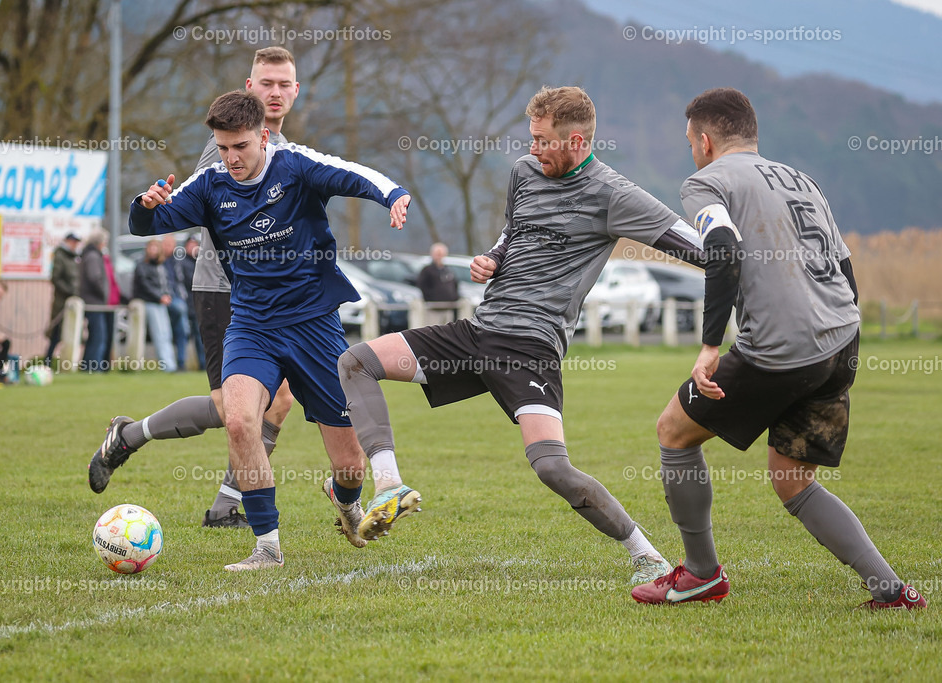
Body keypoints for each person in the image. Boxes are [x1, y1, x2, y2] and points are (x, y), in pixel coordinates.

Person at [337, 86, 703, 584]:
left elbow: (697, 247)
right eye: (530, 138)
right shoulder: (525, 173)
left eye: (541, 140)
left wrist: (748, 264)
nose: (532, 149)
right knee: (356, 361)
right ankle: (390, 486)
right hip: (480, 331)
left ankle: (648, 555)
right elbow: (514, 231)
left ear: (576, 142)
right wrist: (493, 257)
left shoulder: (613, 194)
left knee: (552, 469)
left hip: (529, 349)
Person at [630, 87, 926, 609]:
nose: (690, 151)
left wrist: (708, 345)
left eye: (688, 141)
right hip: (841, 339)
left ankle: (701, 575)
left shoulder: (706, 181)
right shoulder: (801, 178)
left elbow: (721, 249)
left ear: (704, 140)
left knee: (673, 432)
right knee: (793, 480)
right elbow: (845, 264)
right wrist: (837, 333)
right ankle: (892, 591)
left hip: (783, 348)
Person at [127, 89, 410, 571]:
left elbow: (357, 175)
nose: (231, 158)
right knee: (239, 420)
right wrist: (145, 204)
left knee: (349, 466)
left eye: (240, 146)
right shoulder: (210, 184)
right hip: (252, 325)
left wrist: (394, 196)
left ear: (262, 136)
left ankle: (344, 501)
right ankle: (266, 546)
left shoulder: (295, 165)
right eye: (222, 147)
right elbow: (145, 225)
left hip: (314, 326)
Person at [88, 47, 301, 530]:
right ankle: (129, 435)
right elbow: (198, 201)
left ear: (294, 91)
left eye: (283, 84)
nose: (274, 92)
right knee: (235, 409)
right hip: (223, 291)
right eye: (265, 82)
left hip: (266, 296)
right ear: (249, 87)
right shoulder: (231, 139)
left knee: (279, 399)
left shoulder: (279, 143)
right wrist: (153, 206)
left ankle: (227, 504)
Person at [132, 239, 177, 373]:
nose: (153, 250)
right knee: (159, 334)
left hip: (161, 303)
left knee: (166, 334)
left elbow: (167, 283)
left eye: (155, 248)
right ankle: (167, 366)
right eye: (150, 248)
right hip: (151, 302)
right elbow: (145, 285)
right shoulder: (142, 265)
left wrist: (167, 295)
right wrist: (159, 297)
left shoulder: (160, 266)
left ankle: (171, 364)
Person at [45, 233, 80, 363]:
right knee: (55, 333)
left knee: (72, 333)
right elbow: (56, 278)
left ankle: (67, 361)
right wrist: (70, 291)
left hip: (73, 302)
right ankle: (47, 361)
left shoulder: (75, 257)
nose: (75, 244)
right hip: (61, 302)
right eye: (73, 241)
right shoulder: (60, 255)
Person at [79, 229, 111, 372]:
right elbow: (94, 278)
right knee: (98, 337)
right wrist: (104, 293)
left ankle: (87, 367)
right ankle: (94, 367)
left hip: (93, 301)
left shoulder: (89, 254)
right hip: (94, 303)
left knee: (93, 337)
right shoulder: (93, 256)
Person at [162, 234, 191, 371]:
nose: (168, 247)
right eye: (166, 244)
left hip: (178, 298)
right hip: (164, 299)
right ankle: (169, 365)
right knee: (167, 332)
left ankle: (181, 363)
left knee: (182, 332)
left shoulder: (179, 261)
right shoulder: (158, 261)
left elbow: (183, 281)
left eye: (170, 244)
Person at [180, 234, 206, 370]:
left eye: (195, 244)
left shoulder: (203, 261)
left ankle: (204, 365)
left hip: (199, 304)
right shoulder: (182, 262)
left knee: (201, 336)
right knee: (185, 334)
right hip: (188, 304)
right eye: (190, 244)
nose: (193, 247)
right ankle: (182, 364)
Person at [416, 242, 459, 323]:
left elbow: (455, 285)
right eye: (437, 254)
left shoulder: (448, 270)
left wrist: (454, 298)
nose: (439, 256)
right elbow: (422, 285)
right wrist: (430, 299)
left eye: (441, 254)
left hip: (448, 308)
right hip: (433, 309)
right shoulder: (427, 270)